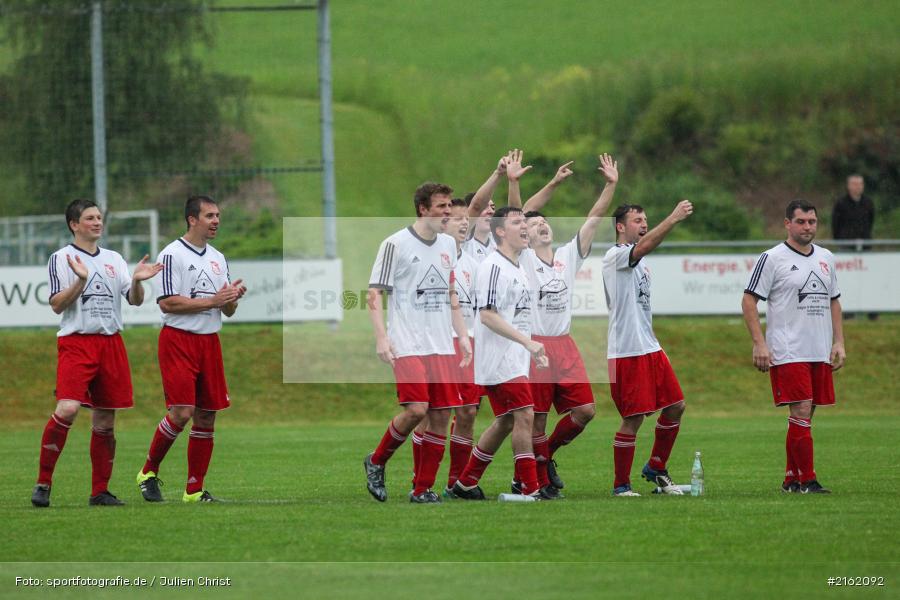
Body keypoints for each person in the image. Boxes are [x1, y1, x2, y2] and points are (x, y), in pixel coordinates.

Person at [32, 199, 162, 508]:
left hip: (111, 343)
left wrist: (138, 281)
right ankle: (43, 483)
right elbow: (57, 305)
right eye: (90, 218)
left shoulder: (114, 259)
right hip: (77, 343)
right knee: (67, 409)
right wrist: (80, 280)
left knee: (105, 421)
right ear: (74, 224)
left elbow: (134, 300)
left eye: (99, 217)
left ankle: (100, 491)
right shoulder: (61, 258)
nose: (97, 222)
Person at [516, 154, 619, 497]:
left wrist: (610, 185)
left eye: (545, 221)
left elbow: (593, 219)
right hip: (537, 345)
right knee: (539, 419)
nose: (542, 224)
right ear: (523, 236)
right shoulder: (524, 259)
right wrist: (546, 185)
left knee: (586, 411)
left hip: (564, 342)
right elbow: (519, 213)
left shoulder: (565, 256)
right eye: (534, 224)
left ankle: (546, 459)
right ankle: (539, 480)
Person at [363, 182, 471, 504]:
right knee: (416, 410)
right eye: (441, 206)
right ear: (423, 209)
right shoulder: (395, 244)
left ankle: (422, 489)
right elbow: (373, 294)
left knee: (440, 417)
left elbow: (451, 292)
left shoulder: (449, 246)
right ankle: (377, 460)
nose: (448, 211)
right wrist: (382, 337)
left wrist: (462, 335)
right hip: (407, 342)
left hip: (441, 344)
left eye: (449, 205)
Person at [136, 195, 246, 503]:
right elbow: (168, 303)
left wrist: (232, 297)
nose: (216, 221)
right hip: (178, 340)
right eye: (209, 215)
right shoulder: (172, 254)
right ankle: (148, 471)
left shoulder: (218, 258)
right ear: (192, 219)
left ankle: (193, 491)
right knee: (182, 412)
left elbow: (228, 312)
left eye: (218, 215)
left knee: (207, 417)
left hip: (209, 342)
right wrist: (213, 300)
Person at [742, 199, 845, 494]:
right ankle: (808, 480)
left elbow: (834, 300)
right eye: (801, 222)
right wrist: (759, 343)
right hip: (788, 350)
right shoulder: (772, 258)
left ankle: (791, 478)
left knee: (805, 415)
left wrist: (839, 341)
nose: (807, 227)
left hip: (818, 349)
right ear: (787, 224)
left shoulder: (826, 258)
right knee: (800, 410)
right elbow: (749, 300)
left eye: (812, 222)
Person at [450, 206, 549, 501]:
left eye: (525, 222)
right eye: (517, 222)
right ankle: (530, 487)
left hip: (513, 355)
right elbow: (488, 316)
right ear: (501, 232)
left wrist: (530, 348)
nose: (524, 227)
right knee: (525, 414)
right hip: (498, 357)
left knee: (507, 420)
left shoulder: (516, 265)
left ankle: (466, 482)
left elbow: (516, 316)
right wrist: (527, 343)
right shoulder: (493, 266)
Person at [602, 199, 693, 496]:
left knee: (676, 406)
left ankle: (656, 466)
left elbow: (645, 249)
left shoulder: (641, 263)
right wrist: (673, 218)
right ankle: (620, 485)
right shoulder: (614, 256)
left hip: (649, 347)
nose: (644, 225)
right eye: (637, 220)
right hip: (627, 350)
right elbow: (643, 247)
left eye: (645, 220)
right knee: (633, 418)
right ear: (620, 227)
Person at [832, 174, 876, 320]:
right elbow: (836, 225)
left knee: (867, 279)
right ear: (849, 186)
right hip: (847, 248)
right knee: (847, 280)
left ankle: (872, 312)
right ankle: (848, 312)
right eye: (855, 184)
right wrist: (842, 241)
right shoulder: (841, 203)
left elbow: (870, 221)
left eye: (860, 184)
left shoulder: (868, 203)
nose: (858, 187)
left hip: (865, 247)